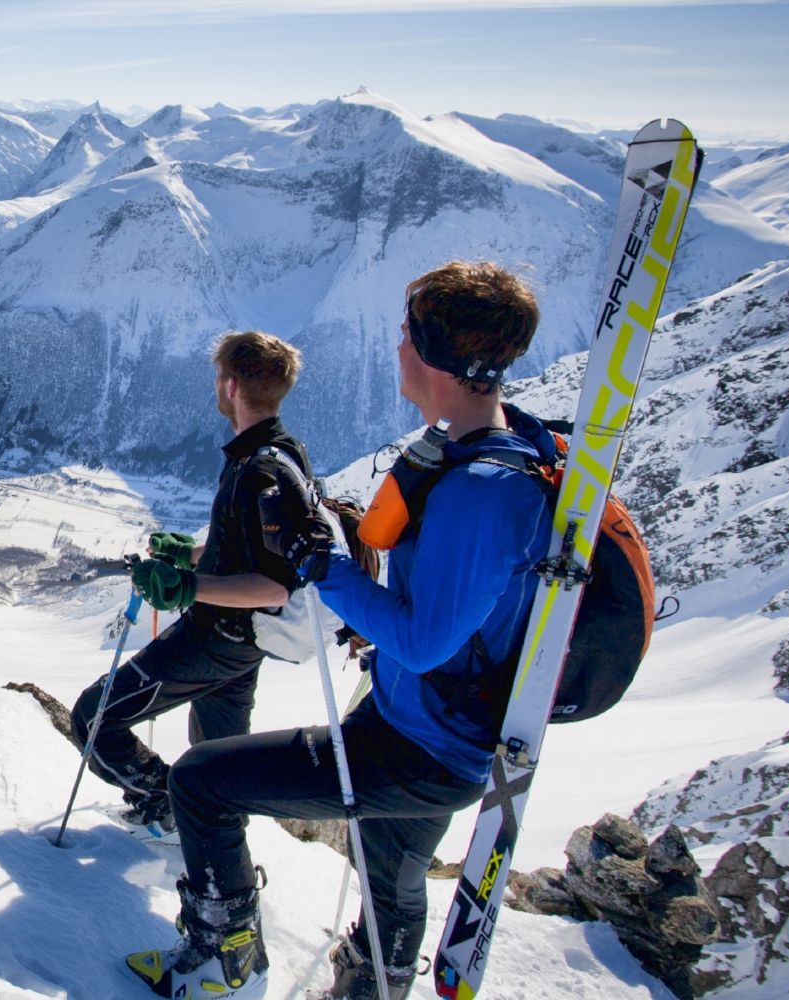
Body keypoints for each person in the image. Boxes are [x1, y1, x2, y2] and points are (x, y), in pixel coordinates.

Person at [124, 261, 551, 1000]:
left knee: (201, 781)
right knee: (389, 864)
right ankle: (370, 987)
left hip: (423, 745)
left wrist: (324, 566)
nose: (394, 349)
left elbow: (421, 641)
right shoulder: (482, 452)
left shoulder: (485, 493)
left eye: (405, 335)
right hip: (432, 723)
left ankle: (223, 962)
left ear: (435, 355)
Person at [70, 330, 321, 841]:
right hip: (243, 644)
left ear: (229, 386)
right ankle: (208, 842)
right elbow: (245, 545)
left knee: (93, 719)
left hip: (219, 638)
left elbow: (274, 585)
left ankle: (165, 798)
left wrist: (185, 586)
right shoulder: (277, 453)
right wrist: (186, 554)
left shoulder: (261, 469)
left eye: (216, 378)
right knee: (217, 761)